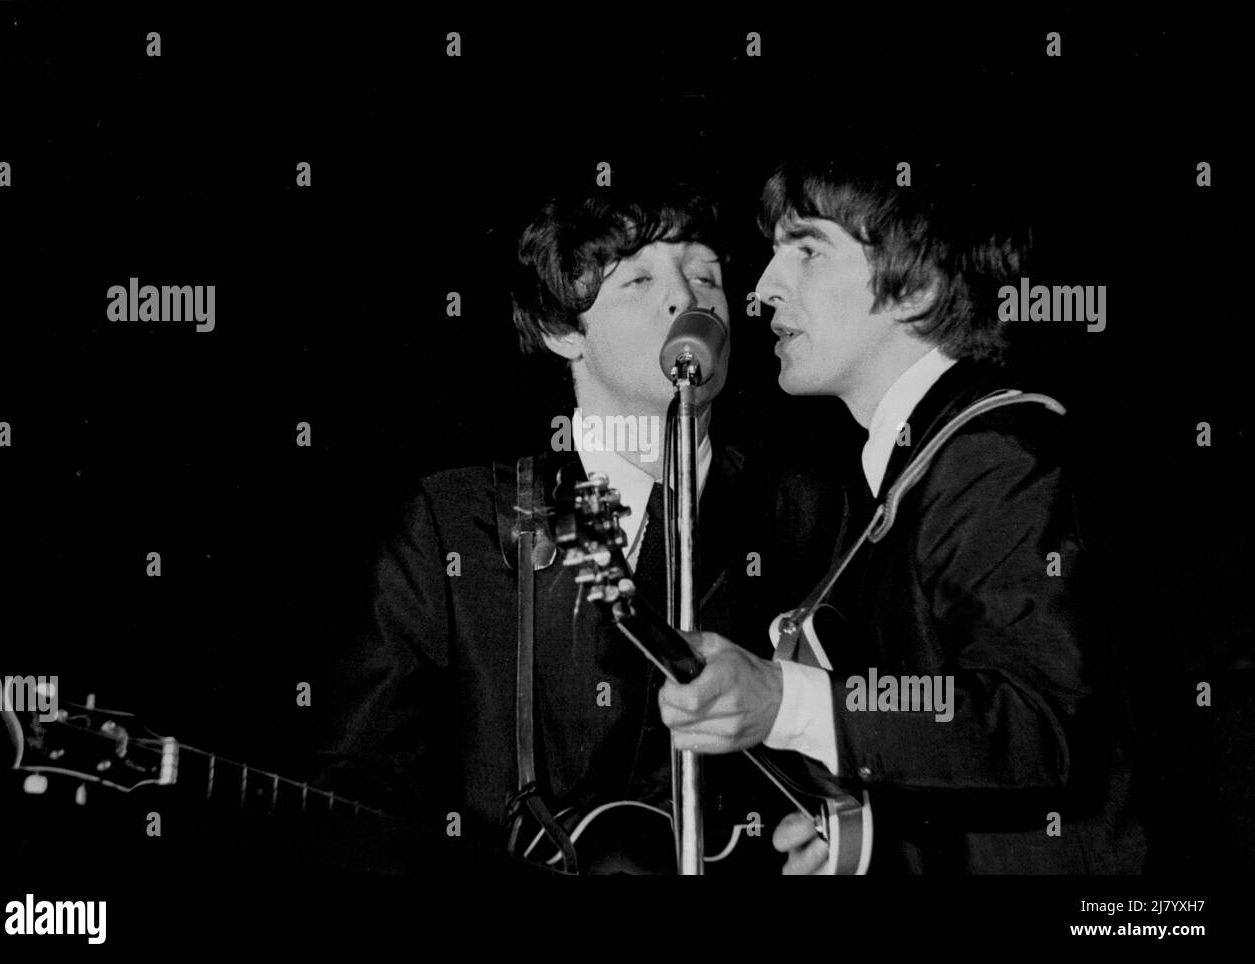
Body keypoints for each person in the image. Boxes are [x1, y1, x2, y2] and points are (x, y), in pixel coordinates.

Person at [658, 158, 1147, 874]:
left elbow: (1040, 725)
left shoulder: (994, 457)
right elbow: (972, 765)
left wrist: (786, 700)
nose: (761, 290)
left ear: (914, 286)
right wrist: (870, 844)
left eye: (807, 249)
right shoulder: (912, 468)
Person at [313, 179, 790, 874]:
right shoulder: (454, 521)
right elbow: (359, 775)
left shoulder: (811, 512)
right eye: (637, 280)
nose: (687, 298)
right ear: (561, 329)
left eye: (705, 273)